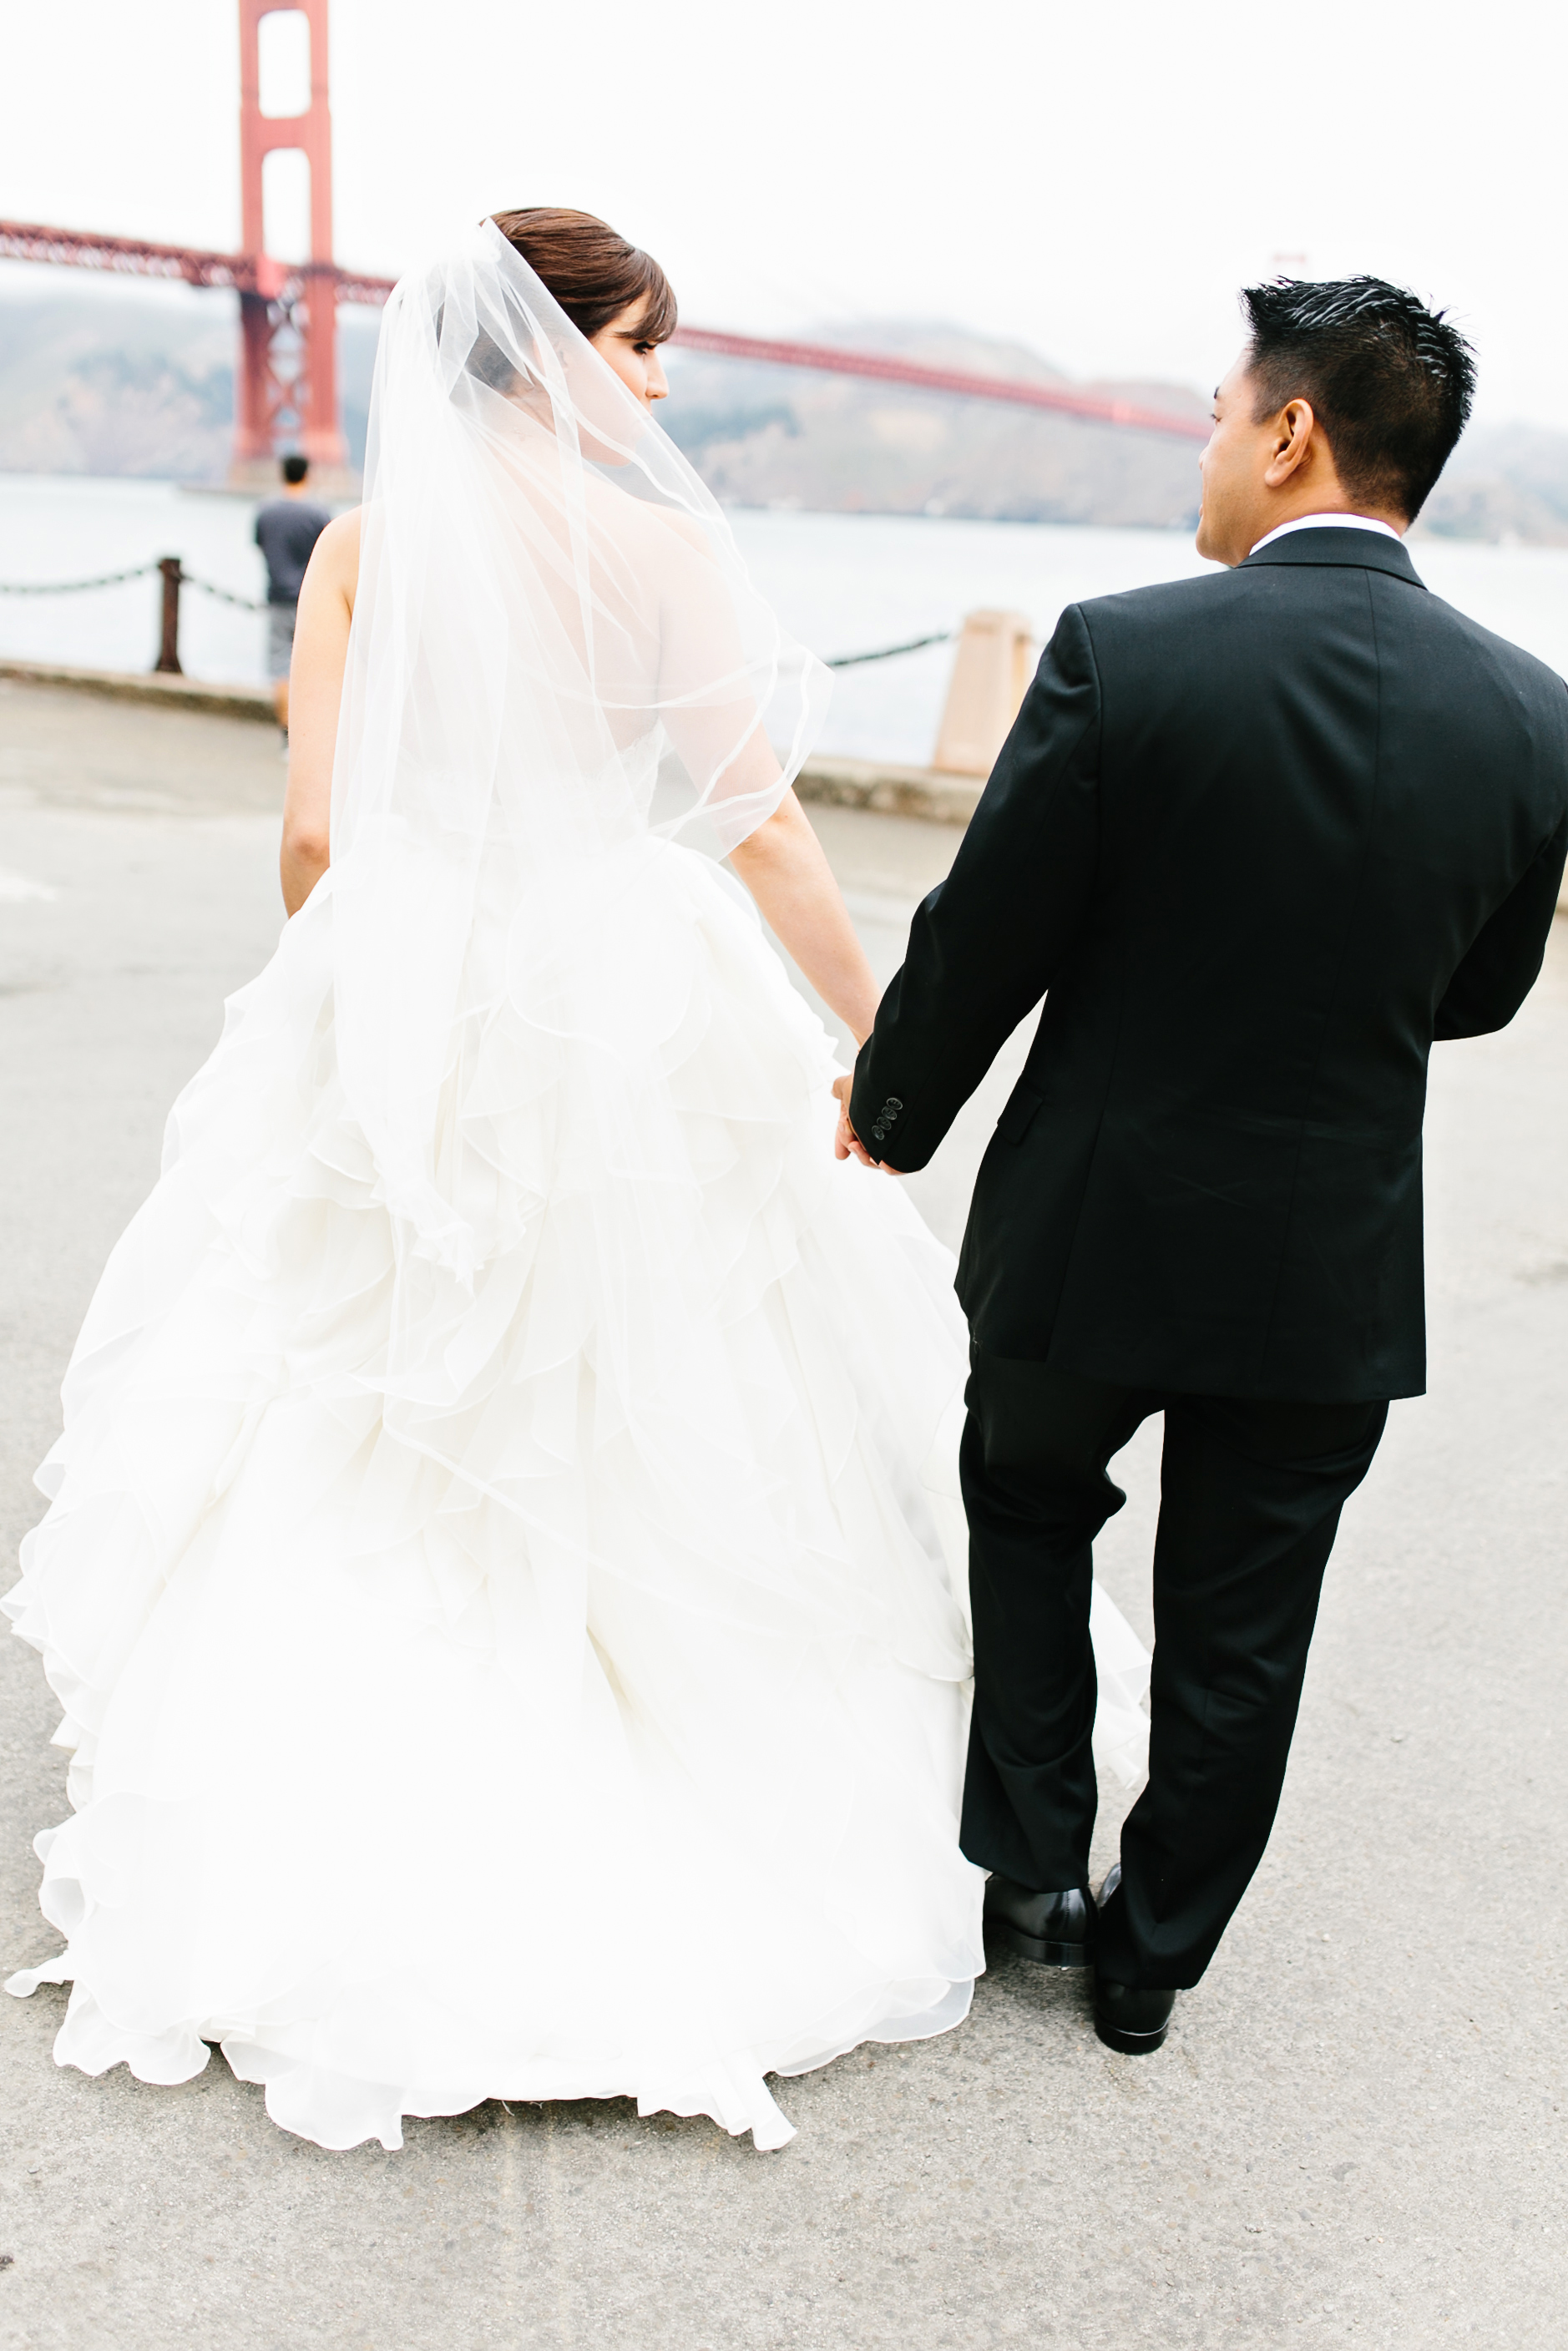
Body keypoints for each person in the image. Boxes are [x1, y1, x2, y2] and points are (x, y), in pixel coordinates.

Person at [4, 210, 1147, 2155]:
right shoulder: (660, 552)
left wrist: (371, 997)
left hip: (420, 982)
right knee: (672, 1375)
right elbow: (768, 830)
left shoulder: (366, 552)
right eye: (638, 348)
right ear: (548, 358)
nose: (660, 385)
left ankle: (339, 1819)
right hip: (641, 987)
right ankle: (672, 1783)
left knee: (372, 1396)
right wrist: (890, 1041)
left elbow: (309, 833)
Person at [841, 276, 1568, 2055]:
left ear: (1291, 433)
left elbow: (991, 927)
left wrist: (897, 1101)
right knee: (1246, 1613)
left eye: (1216, 417)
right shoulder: (1536, 715)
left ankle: (1030, 1870)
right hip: (1329, 1257)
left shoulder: (1126, 647)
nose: (1209, 450)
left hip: (1092, 1226)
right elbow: (1477, 997)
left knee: (1024, 1502)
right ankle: (1151, 1959)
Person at [255, 453, 331, 737]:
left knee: (279, 667)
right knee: (315, 666)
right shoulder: (319, 513)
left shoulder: (266, 512)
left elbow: (261, 546)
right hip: (313, 601)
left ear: (282, 474)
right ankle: (310, 733)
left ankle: (286, 736)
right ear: (306, 474)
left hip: (277, 598)